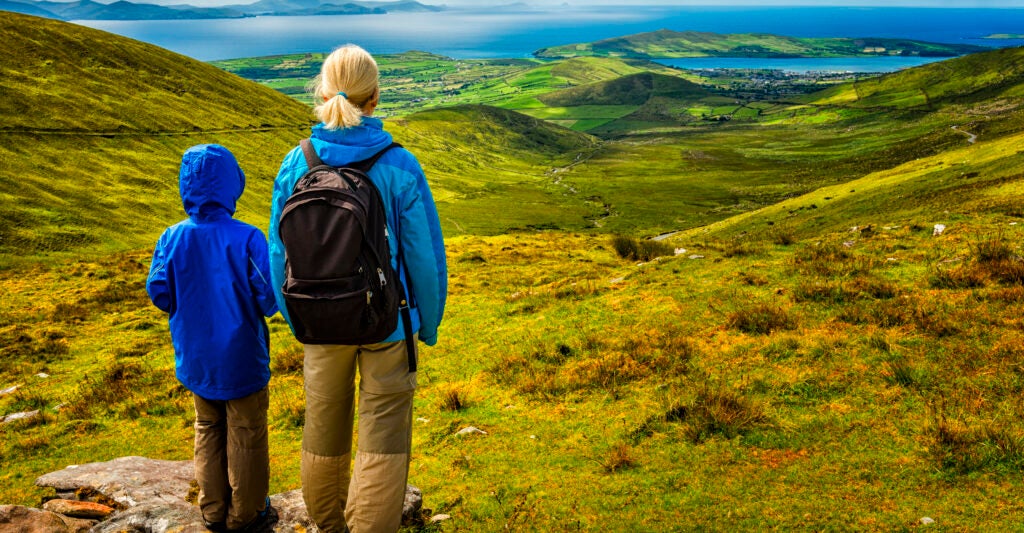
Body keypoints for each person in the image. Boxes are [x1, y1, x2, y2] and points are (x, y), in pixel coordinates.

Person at [268, 44, 447, 533]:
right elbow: (423, 256)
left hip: (319, 322)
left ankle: (328, 525)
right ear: (374, 98)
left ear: (324, 94)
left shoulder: (295, 163)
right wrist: (426, 322)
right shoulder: (399, 164)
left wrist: (297, 316)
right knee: (383, 426)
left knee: (323, 427)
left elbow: (278, 253)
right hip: (388, 322)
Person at [146, 144, 279, 532]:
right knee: (247, 432)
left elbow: (160, 292)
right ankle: (247, 513)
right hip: (242, 359)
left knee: (207, 428)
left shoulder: (171, 238)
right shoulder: (248, 238)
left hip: (196, 357)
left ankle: (212, 511)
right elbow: (268, 299)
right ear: (230, 184)